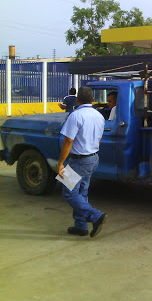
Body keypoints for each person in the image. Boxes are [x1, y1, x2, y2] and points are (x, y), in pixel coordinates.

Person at [58, 86, 107, 238]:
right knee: (81, 192)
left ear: (77, 99)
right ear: (93, 100)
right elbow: (99, 140)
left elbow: (68, 140)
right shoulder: (99, 116)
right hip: (93, 158)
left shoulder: (76, 115)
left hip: (78, 160)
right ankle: (80, 226)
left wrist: (61, 163)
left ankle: (95, 216)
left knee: (69, 192)